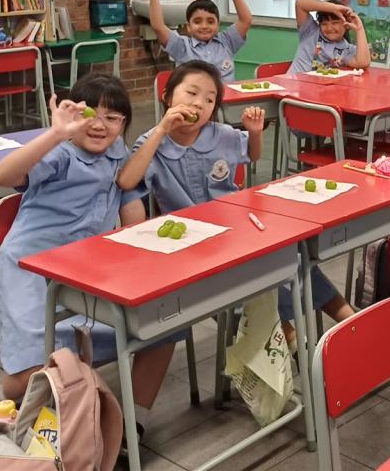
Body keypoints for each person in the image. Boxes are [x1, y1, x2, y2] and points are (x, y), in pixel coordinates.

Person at [0, 75, 178, 430]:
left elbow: (132, 212)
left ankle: (130, 429)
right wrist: (55, 134)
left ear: (123, 124)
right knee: (24, 380)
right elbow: (2, 175)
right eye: (90, 114)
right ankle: (29, 399)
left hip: (86, 274)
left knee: (163, 328)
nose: (99, 125)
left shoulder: (118, 156)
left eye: (112, 118)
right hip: (28, 271)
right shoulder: (61, 153)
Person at [116, 61, 352, 343]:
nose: (199, 104)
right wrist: (161, 130)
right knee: (242, 282)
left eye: (209, 100)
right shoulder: (152, 142)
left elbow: (252, 155)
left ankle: (349, 320)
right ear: (167, 97)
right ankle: (291, 342)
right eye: (191, 93)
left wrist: (255, 133)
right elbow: (127, 181)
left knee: (293, 257)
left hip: (236, 228)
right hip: (191, 245)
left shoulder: (220, 134)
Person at [142, 0, 252, 83]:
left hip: (227, 94)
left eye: (210, 22)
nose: (204, 26)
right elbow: (158, 26)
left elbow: (245, 21)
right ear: (188, 27)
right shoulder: (182, 46)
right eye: (197, 22)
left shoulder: (226, 41)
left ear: (217, 25)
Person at [289, 0, 371, 73]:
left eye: (335, 23)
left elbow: (363, 63)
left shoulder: (347, 50)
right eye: (324, 24)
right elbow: (300, 4)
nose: (329, 28)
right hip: (292, 83)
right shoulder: (310, 31)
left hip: (317, 84)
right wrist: (333, 8)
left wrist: (359, 29)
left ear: (346, 25)